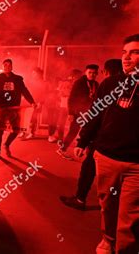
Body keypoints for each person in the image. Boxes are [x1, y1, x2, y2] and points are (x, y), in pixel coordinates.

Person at [73, 35, 139, 253]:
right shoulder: (111, 83)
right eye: (124, 52)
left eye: (134, 52)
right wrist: (83, 140)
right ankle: (108, 239)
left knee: (129, 217)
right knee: (107, 205)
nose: (127, 57)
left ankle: (124, 249)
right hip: (106, 157)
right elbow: (95, 114)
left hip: (135, 165)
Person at [60, 59, 122, 211]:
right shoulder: (132, 85)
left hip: (103, 138)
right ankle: (115, 203)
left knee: (89, 167)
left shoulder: (106, 85)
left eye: (99, 72)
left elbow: (96, 115)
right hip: (122, 143)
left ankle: (81, 199)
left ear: (106, 72)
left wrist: (83, 141)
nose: (96, 75)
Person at [0, 59, 36, 159]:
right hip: (1, 108)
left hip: (14, 108)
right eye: (5, 65)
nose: (7, 67)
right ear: (2, 67)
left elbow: (24, 91)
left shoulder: (17, 79)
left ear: (12, 67)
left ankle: (6, 144)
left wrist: (32, 101)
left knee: (16, 129)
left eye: (9, 65)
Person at [57, 64, 99, 160]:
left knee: (89, 131)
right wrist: (71, 113)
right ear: (86, 72)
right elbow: (71, 98)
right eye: (90, 72)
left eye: (94, 73)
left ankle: (88, 151)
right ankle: (62, 149)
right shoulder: (79, 83)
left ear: (96, 74)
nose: (92, 75)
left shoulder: (96, 84)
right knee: (73, 131)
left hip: (90, 112)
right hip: (78, 112)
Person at [21, 67, 47, 140]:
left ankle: (32, 133)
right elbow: (25, 91)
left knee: (33, 118)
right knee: (25, 117)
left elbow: (44, 94)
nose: (33, 75)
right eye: (33, 73)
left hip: (36, 102)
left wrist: (40, 102)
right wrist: (22, 97)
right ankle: (23, 131)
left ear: (39, 74)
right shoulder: (30, 82)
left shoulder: (43, 83)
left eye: (35, 73)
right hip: (27, 102)